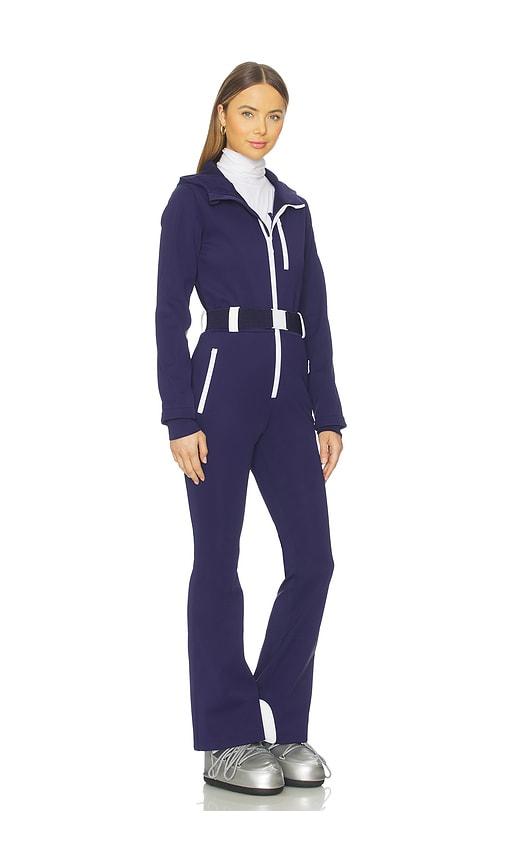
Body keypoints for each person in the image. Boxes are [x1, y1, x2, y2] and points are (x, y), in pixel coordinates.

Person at [155, 62, 347, 796]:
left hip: (290, 400)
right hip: (219, 390)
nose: (262, 128)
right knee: (218, 561)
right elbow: (168, 314)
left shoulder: (293, 208)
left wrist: (327, 412)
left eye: (274, 116)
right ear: (222, 116)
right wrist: (180, 415)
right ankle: (227, 737)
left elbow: (316, 315)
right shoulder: (194, 198)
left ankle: (281, 719)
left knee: (313, 560)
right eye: (248, 113)